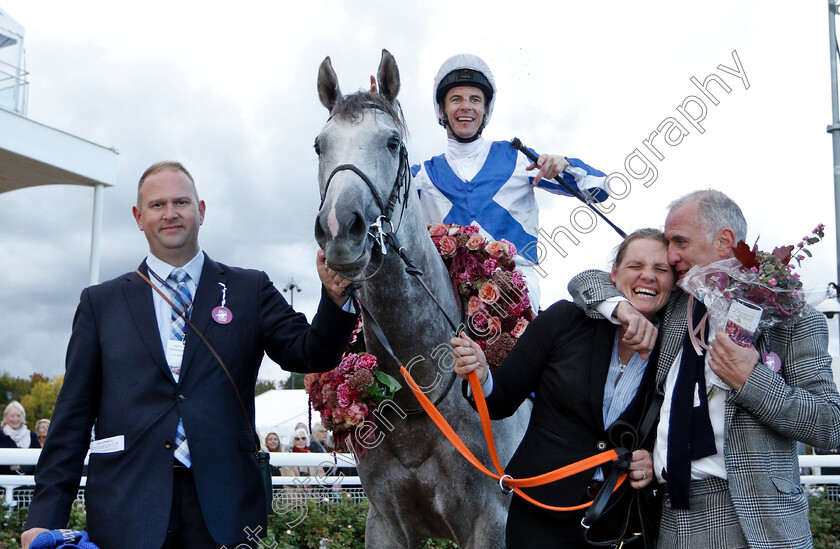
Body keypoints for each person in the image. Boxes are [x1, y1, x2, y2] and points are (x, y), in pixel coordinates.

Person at [21, 161, 358, 549]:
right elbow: (72, 417)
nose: (170, 213)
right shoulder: (101, 303)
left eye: (181, 202)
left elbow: (310, 353)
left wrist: (334, 299)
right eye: (157, 204)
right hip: (125, 508)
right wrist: (43, 519)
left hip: (226, 509)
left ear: (201, 210)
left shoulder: (250, 288)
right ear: (138, 217)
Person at [568, 189, 840, 548]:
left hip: (754, 520)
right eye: (668, 243)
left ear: (725, 241)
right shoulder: (677, 304)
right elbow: (586, 281)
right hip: (671, 514)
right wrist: (624, 310)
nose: (671, 255)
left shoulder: (792, 317)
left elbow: (830, 425)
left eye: (679, 242)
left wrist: (751, 381)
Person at [451, 228, 674, 548]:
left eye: (661, 269)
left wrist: (653, 460)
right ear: (613, 274)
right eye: (635, 266)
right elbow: (499, 402)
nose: (648, 276)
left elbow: (675, 430)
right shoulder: (563, 320)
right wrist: (481, 375)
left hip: (620, 524)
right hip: (540, 519)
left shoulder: (676, 350)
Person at [411, 53, 610, 310]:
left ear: (485, 111)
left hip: (515, 290)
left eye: (475, 100)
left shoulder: (515, 157)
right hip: (446, 295)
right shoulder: (421, 174)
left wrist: (565, 164)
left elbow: (601, 189)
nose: (466, 107)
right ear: (442, 110)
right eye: (456, 99)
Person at [2, 401, 40, 475]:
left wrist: (21, 467)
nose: (15, 419)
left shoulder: (32, 436)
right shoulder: (1, 435)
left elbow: (39, 461)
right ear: (6, 417)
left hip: (28, 483)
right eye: (12, 416)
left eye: (18, 416)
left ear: (23, 417)